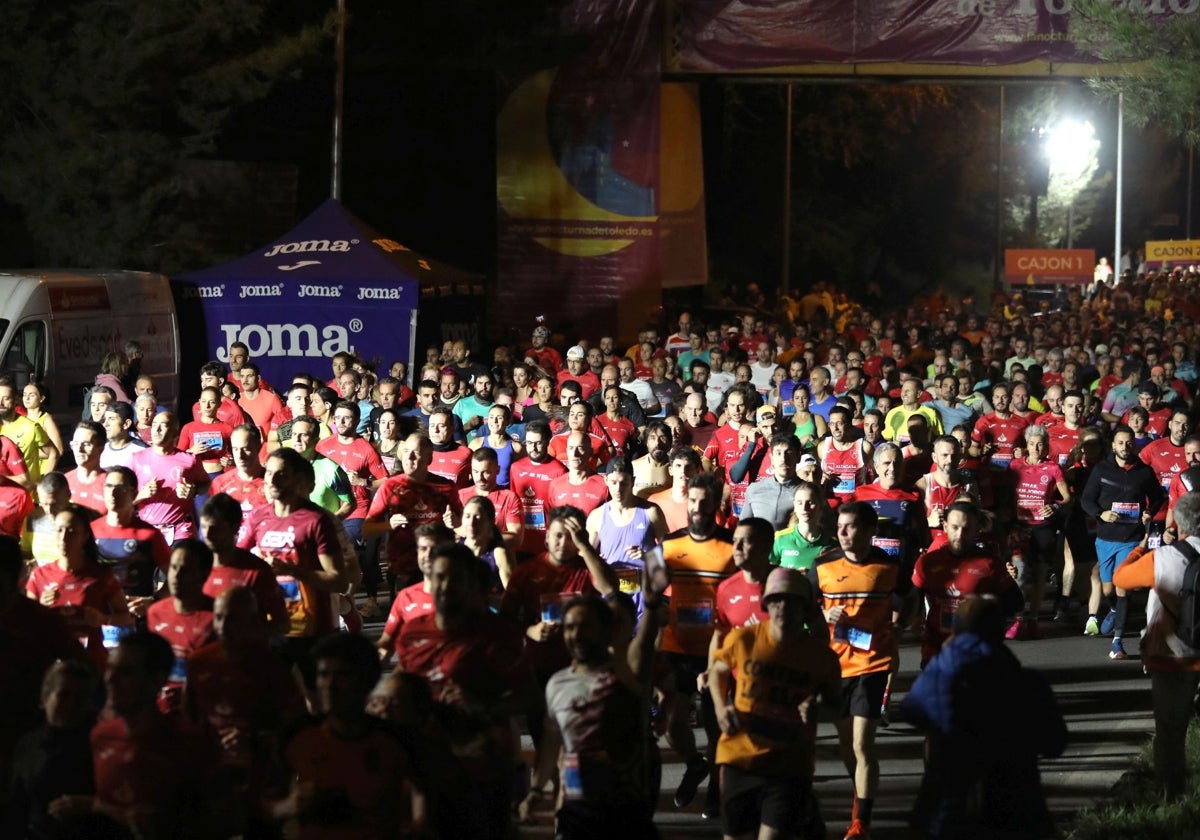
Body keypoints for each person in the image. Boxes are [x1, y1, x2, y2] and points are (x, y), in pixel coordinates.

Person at [397, 543, 534, 839]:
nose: (445, 586)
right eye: (439, 577)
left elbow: (530, 696)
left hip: (483, 768)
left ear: (472, 583)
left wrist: (482, 707)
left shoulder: (497, 632)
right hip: (425, 764)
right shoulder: (411, 632)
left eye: (455, 578)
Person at [903, 595, 1066, 839]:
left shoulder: (937, 678)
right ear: (1001, 631)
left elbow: (911, 712)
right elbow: (1054, 743)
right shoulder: (1027, 683)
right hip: (1016, 808)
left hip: (947, 811)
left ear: (955, 630)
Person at [710, 566, 842, 840]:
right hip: (740, 757)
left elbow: (836, 705)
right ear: (766, 603)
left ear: (805, 608)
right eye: (776, 599)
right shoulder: (744, 639)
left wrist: (819, 710)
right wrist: (721, 708)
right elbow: (718, 670)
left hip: (788, 763)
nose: (783, 607)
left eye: (792, 601)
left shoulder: (822, 657)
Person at [48, 632, 223, 838]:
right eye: (110, 668)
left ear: (156, 680)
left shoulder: (192, 744)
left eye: (126, 672)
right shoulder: (100, 737)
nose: (110, 678)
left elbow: (225, 819)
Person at [271, 632, 423, 838]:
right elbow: (260, 806)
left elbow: (426, 794)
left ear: (367, 681)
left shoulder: (396, 740)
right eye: (323, 675)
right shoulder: (296, 736)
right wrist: (288, 806)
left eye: (342, 675)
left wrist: (418, 825)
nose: (329, 686)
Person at [817, 501, 907, 840]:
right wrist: (822, 617)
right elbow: (807, 607)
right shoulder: (823, 565)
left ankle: (861, 824)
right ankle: (861, 795)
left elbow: (908, 598)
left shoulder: (888, 567)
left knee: (861, 744)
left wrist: (900, 621)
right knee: (845, 746)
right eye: (840, 525)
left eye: (851, 526)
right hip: (835, 666)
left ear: (870, 531)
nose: (842, 532)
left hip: (873, 662)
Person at [1113, 491, 1200, 799]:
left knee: (1170, 731)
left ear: (1179, 524)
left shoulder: (1163, 558)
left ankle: (1172, 793)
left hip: (1171, 656)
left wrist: (1140, 547)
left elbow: (1121, 579)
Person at [238, 448, 349, 689]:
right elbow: (237, 561)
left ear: (298, 480)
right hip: (273, 624)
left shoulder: (317, 520)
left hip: (314, 628)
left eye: (282, 475)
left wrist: (295, 571)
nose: (272, 480)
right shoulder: (257, 518)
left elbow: (339, 581)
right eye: (268, 473)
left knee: (317, 699)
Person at [661, 471, 736, 818]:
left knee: (713, 724)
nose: (697, 507)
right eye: (692, 501)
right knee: (672, 725)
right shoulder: (670, 545)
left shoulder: (731, 546)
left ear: (716, 503)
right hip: (678, 647)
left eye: (705, 501)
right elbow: (653, 592)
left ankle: (717, 789)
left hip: (716, 650)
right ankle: (695, 765)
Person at [1080, 424, 1166, 659]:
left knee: (1122, 586)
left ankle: (1117, 642)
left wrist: (1150, 511)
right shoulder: (1101, 469)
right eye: (1120, 443)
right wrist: (1101, 514)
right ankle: (1115, 609)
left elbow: (1158, 497)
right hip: (1106, 537)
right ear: (1113, 445)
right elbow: (1086, 500)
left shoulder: (1144, 472)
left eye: (1129, 443)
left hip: (1132, 538)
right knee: (1108, 588)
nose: (1125, 447)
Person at [911, 502, 1023, 666]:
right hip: (936, 648)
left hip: (975, 650)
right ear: (945, 526)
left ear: (977, 530)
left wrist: (987, 619)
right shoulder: (928, 562)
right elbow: (914, 596)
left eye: (967, 528)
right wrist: (914, 619)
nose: (960, 534)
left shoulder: (990, 564)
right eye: (955, 527)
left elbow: (1015, 602)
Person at [27, 507, 134, 668]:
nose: (63, 538)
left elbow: (126, 617)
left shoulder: (101, 576)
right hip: (51, 666)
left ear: (84, 536)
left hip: (90, 667)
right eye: (59, 530)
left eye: (71, 532)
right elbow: (26, 623)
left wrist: (104, 619)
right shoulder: (39, 575)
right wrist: (41, 609)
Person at [5, 659, 98, 839]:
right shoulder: (29, 744)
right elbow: (16, 804)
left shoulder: (99, 747)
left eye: (81, 697)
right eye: (63, 695)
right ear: (44, 699)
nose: (72, 705)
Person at [364, 433, 463, 586]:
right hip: (402, 567)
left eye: (415, 453)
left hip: (438, 565)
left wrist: (456, 523)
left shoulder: (446, 487)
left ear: (429, 459)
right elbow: (367, 529)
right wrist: (388, 525)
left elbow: (464, 526)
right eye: (406, 452)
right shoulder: (390, 486)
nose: (409, 457)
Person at [1006, 423, 1071, 640]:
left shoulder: (1053, 468)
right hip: (1020, 527)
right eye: (1032, 444)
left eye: (1040, 445)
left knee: (1041, 573)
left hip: (1044, 527)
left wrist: (1055, 506)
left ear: (1045, 448)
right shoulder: (1015, 466)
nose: (1035, 448)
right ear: (1026, 445)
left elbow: (1068, 498)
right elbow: (1005, 494)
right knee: (1020, 572)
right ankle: (1018, 617)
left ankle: (1033, 619)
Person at [199, 493, 289, 636]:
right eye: (204, 527)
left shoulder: (257, 571)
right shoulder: (194, 564)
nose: (208, 535)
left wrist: (246, 640)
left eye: (215, 528)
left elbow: (282, 623)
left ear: (235, 528)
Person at [145, 538, 216, 712]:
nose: (176, 576)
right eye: (174, 568)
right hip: (160, 714)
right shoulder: (155, 612)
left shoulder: (218, 619)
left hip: (200, 716)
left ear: (204, 574)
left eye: (186, 570)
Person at [585, 456, 667, 607]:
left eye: (623, 483)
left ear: (633, 482)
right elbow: (586, 559)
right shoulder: (597, 516)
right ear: (606, 481)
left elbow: (669, 553)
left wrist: (648, 556)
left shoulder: (651, 512)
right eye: (614, 483)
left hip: (644, 600)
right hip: (611, 601)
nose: (618, 489)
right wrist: (596, 560)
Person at [91, 466, 172, 617]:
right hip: (100, 618)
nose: (113, 493)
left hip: (137, 620)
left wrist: (153, 602)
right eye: (108, 486)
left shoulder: (150, 534)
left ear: (134, 493)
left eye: (120, 487)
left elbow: (174, 577)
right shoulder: (91, 531)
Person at [377, 521, 454, 662]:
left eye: (435, 548)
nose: (428, 554)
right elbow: (385, 645)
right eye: (423, 548)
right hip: (415, 680)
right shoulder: (406, 597)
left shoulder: (467, 594)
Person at [130, 412, 210, 543]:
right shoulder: (136, 459)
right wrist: (141, 495)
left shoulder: (190, 459)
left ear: (174, 434)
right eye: (155, 424)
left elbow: (207, 485)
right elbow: (122, 499)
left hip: (181, 530)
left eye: (163, 425)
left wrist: (193, 490)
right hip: (148, 530)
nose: (157, 429)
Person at [771, 481, 837, 571]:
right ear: (794, 505)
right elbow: (766, 572)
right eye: (799, 503)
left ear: (821, 506)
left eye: (810, 503)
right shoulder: (780, 538)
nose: (804, 508)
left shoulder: (831, 543)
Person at [0, 380, 57, 485]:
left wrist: (44, 486)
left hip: (27, 496)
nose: (0, 403)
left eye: (6, 398)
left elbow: (54, 453)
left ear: (16, 399)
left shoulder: (31, 427)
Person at [66, 420, 108, 515]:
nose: (79, 450)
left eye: (86, 444)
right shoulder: (65, 481)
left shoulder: (110, 484)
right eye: (75, 444)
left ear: (101, 448)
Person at [21, 381, 64, 463]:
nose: (27, 398)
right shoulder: (21, 420)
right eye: (24, 394)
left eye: (32, 395)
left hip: (42, 472)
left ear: (41, 398)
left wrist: (30, 453)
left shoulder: (46, 420)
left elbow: (59, 450)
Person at [99, 401, 148, 469]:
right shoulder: (99, 448)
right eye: (105, 419)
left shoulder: (142, 451)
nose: (105, 424)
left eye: (112, 419)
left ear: (126, 424)